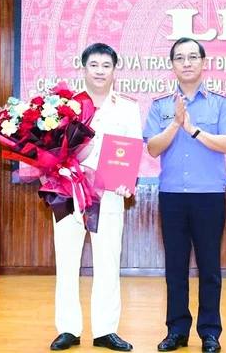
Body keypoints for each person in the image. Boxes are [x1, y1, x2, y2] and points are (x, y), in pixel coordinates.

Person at [143, 37, 226, 353]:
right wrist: (176, 124)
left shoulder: (221, 103)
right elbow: (152, 148)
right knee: (175, 267)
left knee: (209, 267)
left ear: (203, 62)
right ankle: (177, 331)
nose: (186, 63)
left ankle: (210, 332)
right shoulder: (160, 106)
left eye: (192, 57)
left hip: (208, 196)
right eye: (179, 58)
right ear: (172, 64)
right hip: (172, 195)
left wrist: (194, 130)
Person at [49, 43, 141, 352]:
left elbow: (132, 150)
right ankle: (68, 329)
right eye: (94, 65)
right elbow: (51, 150)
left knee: (108, 262)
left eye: (106, 65)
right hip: (68, 193)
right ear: (84, 68)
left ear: (114, 70)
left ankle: (105, 330)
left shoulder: (127, 107)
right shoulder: (67, 106)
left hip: (109, 194)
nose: (100, 71)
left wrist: (127, 183)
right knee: (66, 262)